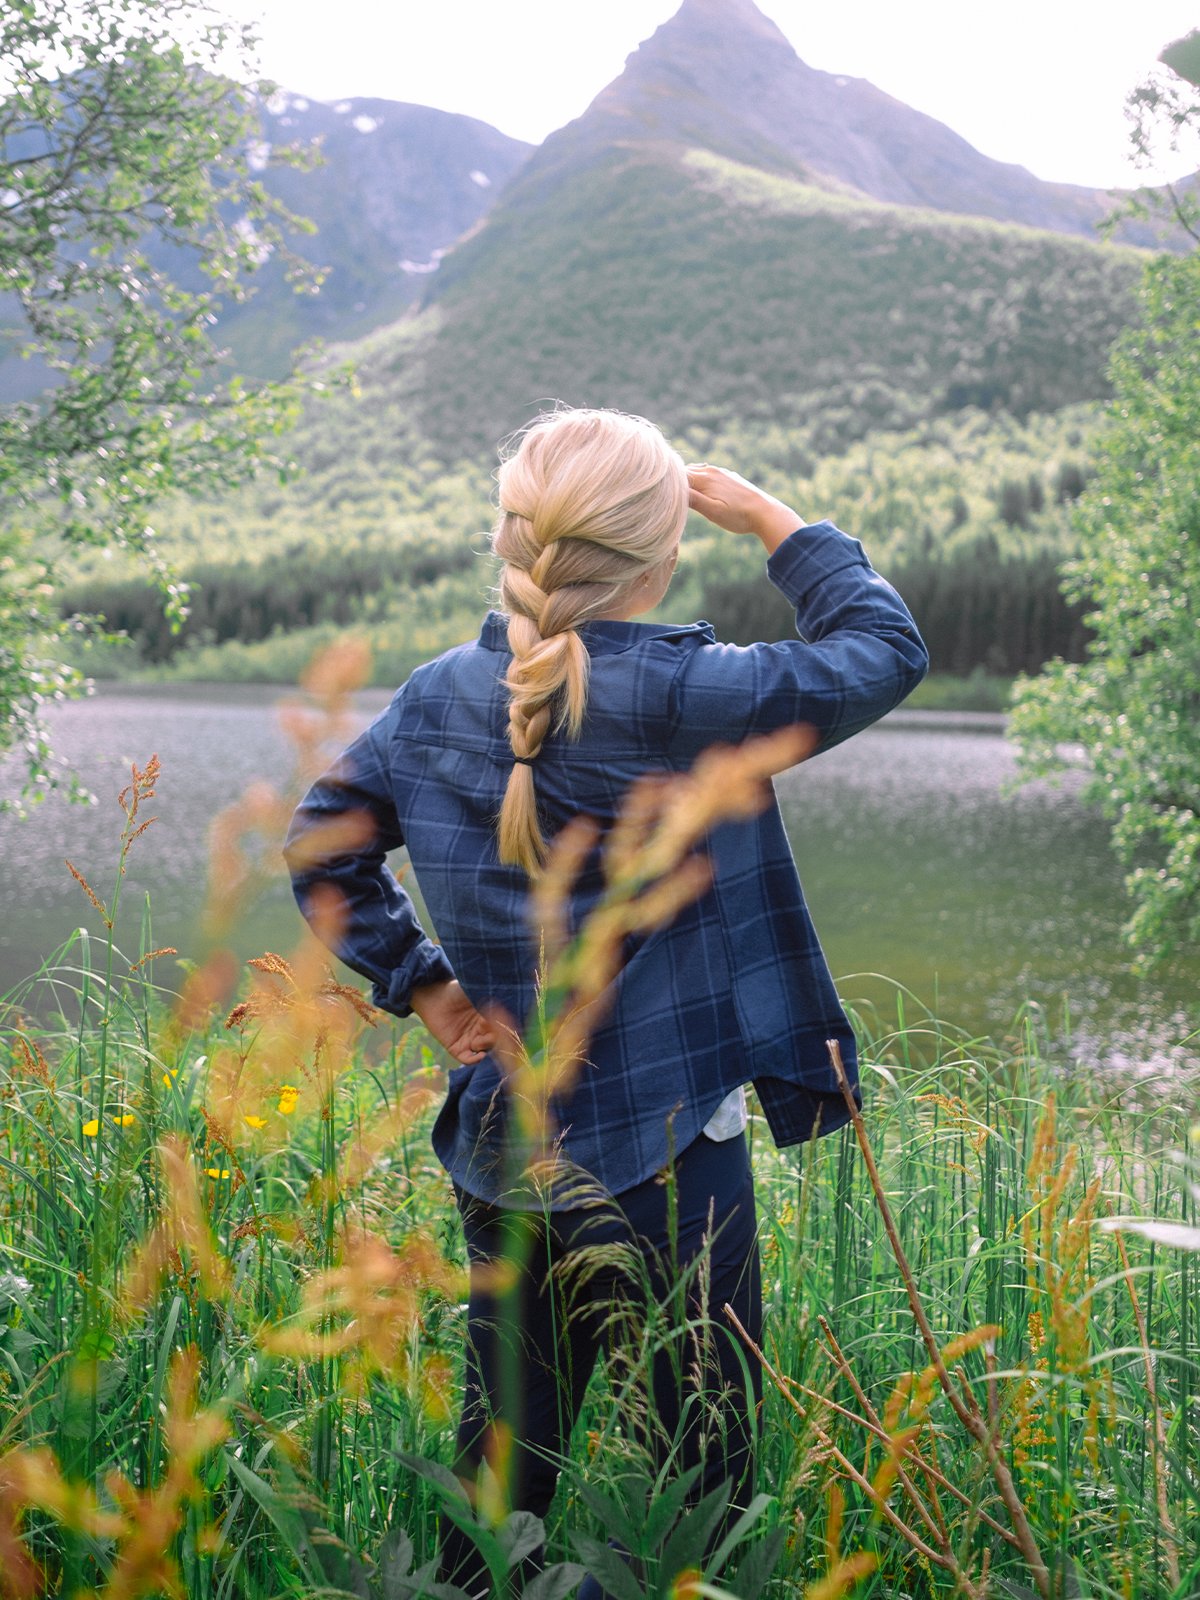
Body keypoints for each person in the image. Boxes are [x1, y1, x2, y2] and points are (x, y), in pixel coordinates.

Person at [284, 406, 929, 1597]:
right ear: (665, 551)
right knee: (705, 1476)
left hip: (505, 1144)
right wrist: (777, 522)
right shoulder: (688, 693)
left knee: (501, 1469)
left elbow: (320, 845)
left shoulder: (434, 697)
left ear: (509, 543)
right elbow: (884, 649)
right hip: (676, 1150)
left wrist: (423, 987)